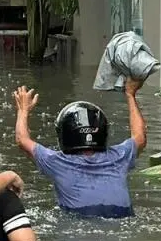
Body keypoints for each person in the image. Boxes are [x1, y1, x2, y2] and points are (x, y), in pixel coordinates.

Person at [13, 79, 146, 218]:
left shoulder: (57, 162)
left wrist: (23, 110)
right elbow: (140, 136)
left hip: (81, 219)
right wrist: (130, 94)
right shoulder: (120, 157)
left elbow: (22, 140)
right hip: (122, 216)